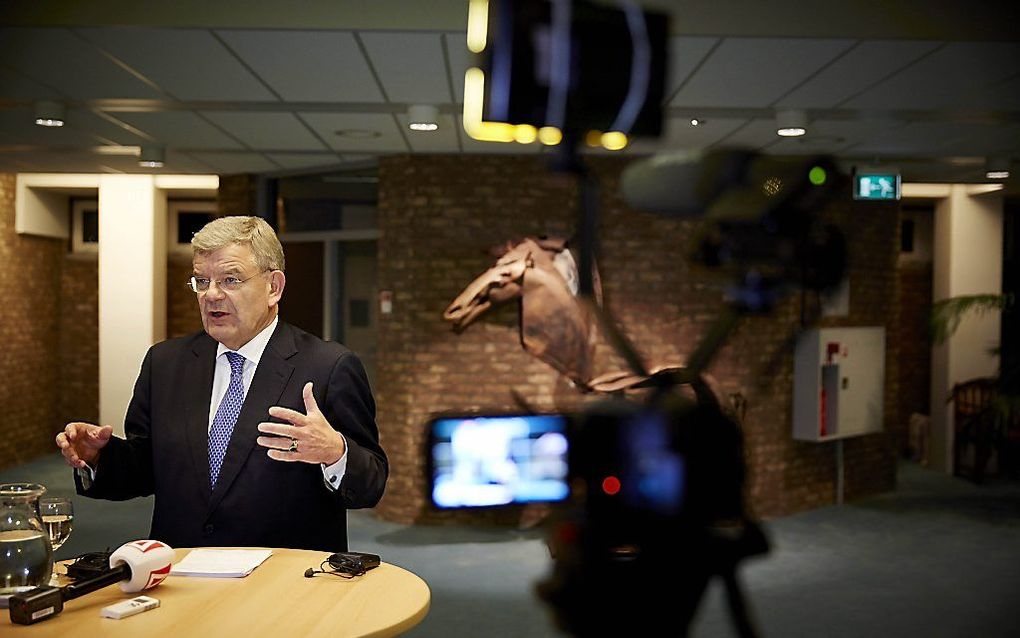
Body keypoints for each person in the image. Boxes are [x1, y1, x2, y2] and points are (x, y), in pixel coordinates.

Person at [55, 216, 387, 552]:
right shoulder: (166, 363)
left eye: (230, 280)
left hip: (283, 583)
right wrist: (99, 459)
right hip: (184, 578)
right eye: (201, 281)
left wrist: (335, 453)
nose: (211, 295)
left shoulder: (329, 367)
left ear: (274, 287)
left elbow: (371, 483)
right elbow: (144, 469)